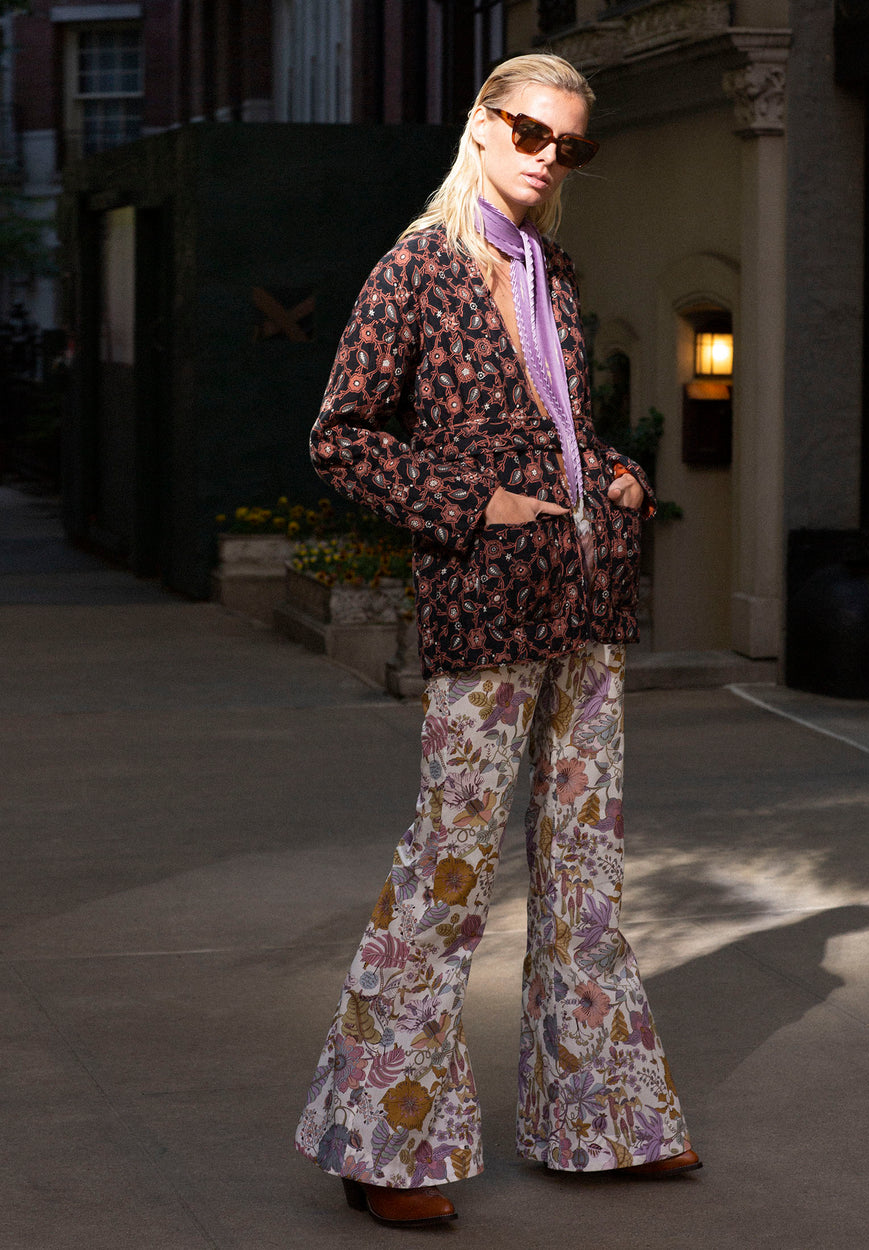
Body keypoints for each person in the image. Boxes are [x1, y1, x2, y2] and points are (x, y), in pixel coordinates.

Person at [294, 52, 700, 1229]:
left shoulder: (554, 271)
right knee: (450, 873)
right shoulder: (416, 267)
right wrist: (473, 506)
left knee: (585, 879)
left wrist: (616, 473)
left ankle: (603, 1121)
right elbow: (341, 438)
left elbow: (564, 431)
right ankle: (386, 1144)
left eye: (565, 146)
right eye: (527, 132)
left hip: (587, 605)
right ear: (480, 124)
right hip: (485, 611)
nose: (543, 158)